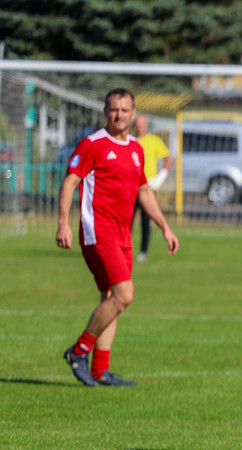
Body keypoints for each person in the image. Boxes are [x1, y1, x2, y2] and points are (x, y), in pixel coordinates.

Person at [56, 88, 180, 387]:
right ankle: (78, 352)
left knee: (112, 298)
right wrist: (63, 223)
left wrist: (165, 226)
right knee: (124, 294)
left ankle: (100, 369)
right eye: (114, 110)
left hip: (123, 234)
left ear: (133, 113)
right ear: (105, 112)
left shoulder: (137, 149)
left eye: (125, 110)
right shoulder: (92, 145)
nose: (119, 115)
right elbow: (70, 181)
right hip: (97, 231)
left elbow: (145, 191)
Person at [132, 113, 174, 263]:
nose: (139, 127)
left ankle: (143, 252)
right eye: (137, 124)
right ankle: (125, 250)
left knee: (145, 221)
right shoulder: (129, 141)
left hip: (147, 187)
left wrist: (160, 177)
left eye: (142, 124)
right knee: (126, 221)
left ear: (147, 126)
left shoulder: (154, 141)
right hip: (131, 187)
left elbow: (168, 158)